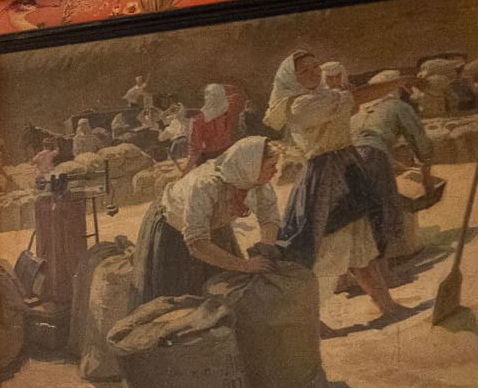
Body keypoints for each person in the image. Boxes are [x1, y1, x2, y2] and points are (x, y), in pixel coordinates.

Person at [270, 49, 413, 327]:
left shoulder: (323, 97)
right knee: (325, 252)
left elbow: (352, 105)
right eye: (305, 71)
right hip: (325, 181)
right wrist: (398, 81)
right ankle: (311, 323)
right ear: (292, 78)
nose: (313, 73)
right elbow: (356, 99)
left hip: (346, 169)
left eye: (315, 67)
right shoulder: (301, 105)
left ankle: (387, 306)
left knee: (361, 245)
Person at [137, 136, 277, 303]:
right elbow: (197, 244)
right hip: (174, 231)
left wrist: (266, 248)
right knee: (184, 298)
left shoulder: (255, 181)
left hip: (212, 228)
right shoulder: (205, 184)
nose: (276, 171)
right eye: (271, 166)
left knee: (223, 287)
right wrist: (245, 265)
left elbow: (269, 216)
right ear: (251, 166)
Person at [189, 82, 239, 167]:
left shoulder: (198, 120)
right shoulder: (228, 110)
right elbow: (234, 94)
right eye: (207, 94)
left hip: (209, 159)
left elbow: (195, 150)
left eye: (209, 94)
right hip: (228, 155)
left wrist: (185, 172)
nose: (207, 97)